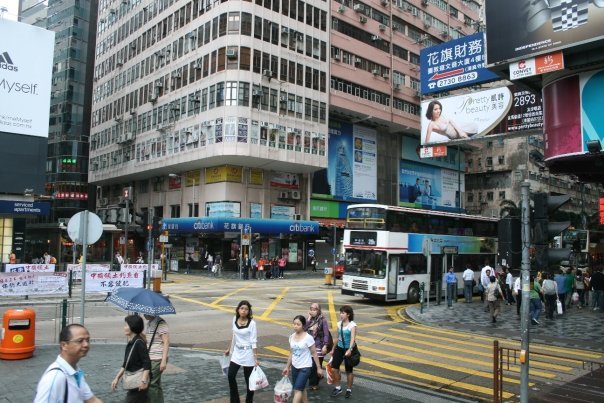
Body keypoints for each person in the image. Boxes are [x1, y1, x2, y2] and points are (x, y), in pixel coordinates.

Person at [34, 323, 103, 403]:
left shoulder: (76, 371)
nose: (86, 345)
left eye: (87, 340)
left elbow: (91, 400)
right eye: (80, 341)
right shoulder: (54, 378)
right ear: (64, 345)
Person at [283, 315, 323, 403]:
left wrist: (319, 368)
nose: (295, 326)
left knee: (297, 390)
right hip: (295, 367)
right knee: (301, 388)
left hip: (305, 367)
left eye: (298, 324)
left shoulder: (308, 338)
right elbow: (291, 353)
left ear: (303, 326)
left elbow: (314, 353)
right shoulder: (291, 337)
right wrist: (287, 367)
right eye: (294, 324)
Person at [112, 315, 151, 402]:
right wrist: (116, 378)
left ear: (133, 326)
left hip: (139, 383)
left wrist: (144, 381)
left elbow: (147, 363)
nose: (124, 327)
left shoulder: (139, 343)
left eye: (126, 325)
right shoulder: (131, 343)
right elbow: (125, 364)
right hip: (134, 383)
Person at [225, 300, 258, 403]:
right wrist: (229, 348)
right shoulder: (235, 319)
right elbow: (234, 335)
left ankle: (249, 401)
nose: (243, 311)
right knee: (230, 375)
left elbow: (254, 341)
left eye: (246, 309)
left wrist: (255, 358)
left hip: (248, 354)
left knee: (249, 381)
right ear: (238, 309)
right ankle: (235, 400)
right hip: (237, 353)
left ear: (249, 311)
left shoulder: (252, 323)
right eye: (242, 308)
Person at [330, 305, 357, 399]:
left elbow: (353, 339)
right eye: (340, 312)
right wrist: (333, 349)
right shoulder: (339, 324)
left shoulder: (352, 325)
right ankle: (338, 387)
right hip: (339, 348)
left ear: (348, 314)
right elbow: (337, 337)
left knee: (349, 371)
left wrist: (350, 350)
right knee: (334, 368)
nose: (341, 315)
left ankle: (349, 390)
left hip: (349, 350)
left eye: (343, 313)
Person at [304, 303, 330, 390]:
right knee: (310, 366)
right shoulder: (309, 321)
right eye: (311, 308)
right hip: (309, 346)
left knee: (316, 366)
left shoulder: (323, 321)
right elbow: (303, 330)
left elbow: (326, 334)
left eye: (315, 309)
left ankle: (315, 384)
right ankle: (314, 381)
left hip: (319, 346)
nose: (312, 310)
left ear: (319, 310)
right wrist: (308, 319)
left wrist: (325, 346)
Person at [144, 314, 169, 403]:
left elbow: (166, 342)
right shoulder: (149, 323)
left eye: (146, 312)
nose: (144, 314)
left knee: (151, 384)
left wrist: (163, 361)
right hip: (151, 357)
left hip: (157, 358)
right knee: (156, 384)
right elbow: (149, 340)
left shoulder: (161, 323)